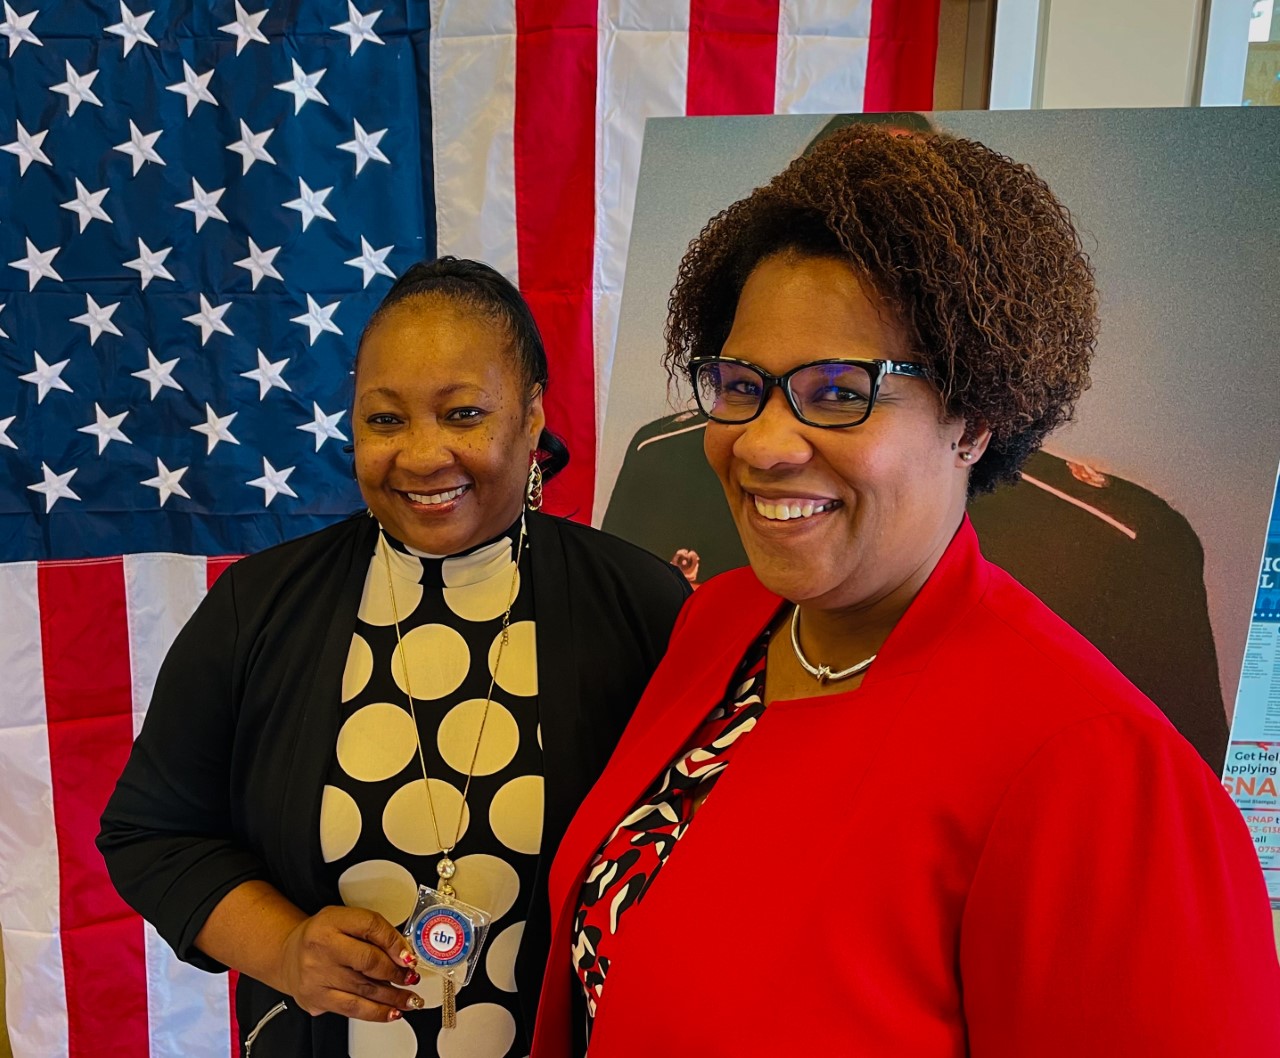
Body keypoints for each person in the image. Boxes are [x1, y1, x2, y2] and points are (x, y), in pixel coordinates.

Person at [532, 128, 1280, 1057]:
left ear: (975, 418)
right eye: (740, 384)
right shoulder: (720, 625)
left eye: (840, 390)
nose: (762, 442)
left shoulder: (1105, 778)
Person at [98, 257, 690, 1058]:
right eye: (385, 420)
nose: (421, 456)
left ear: (532, 415)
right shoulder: (259, 607)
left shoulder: (642, 605)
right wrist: (283, 948)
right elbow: (152, 834)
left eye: (463, 414)